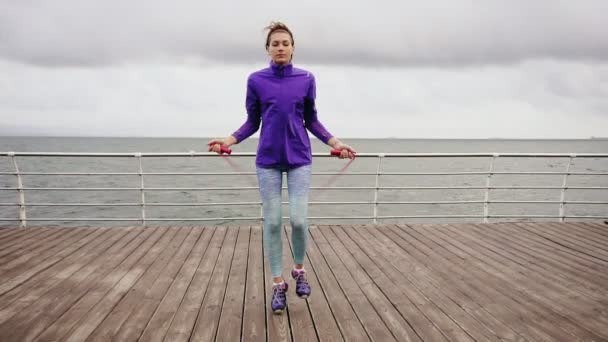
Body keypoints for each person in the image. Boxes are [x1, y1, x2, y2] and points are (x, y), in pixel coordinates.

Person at [208, 21, 355, 314]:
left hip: (300, 157)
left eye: (285, 43)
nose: (280, 48)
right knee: (273, 223)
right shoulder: (256, 80)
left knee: (299, 220)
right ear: (267, 49)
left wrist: (335, 143)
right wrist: (229, 139)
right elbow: (253, 121)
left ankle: (299, 271)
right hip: (267, 161)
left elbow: (312, 119)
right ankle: (278, 285)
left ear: (292, 48)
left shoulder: (306, 79)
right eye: (275, 43)